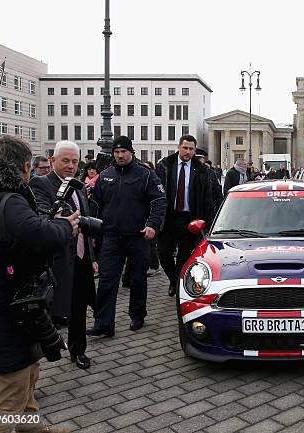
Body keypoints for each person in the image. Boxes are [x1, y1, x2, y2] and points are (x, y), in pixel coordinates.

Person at [0, 135, 78, 433]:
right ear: (23, 167)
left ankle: (32, 430)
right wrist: (63, 225)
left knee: (27, 374)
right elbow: (41, 235)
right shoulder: (6, 200)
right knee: (9, 395)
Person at [88, 136, 166, 335]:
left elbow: (159, 201)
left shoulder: (146, 174)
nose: (120, 155)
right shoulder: (105, 176)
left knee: (138, 279)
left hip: (138, 237)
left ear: (131, 152)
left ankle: (137, 315)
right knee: (106, 280)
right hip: (111, 238)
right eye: (116, 152)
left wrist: (152, 226)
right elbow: (95, 206)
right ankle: (103, 324)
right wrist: (93, 233)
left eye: (124, 151)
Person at [29, 141, 98, 370]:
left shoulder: (78, 186)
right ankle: (33, 367)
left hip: (81, 258)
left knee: (79, 307)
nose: (71, 166)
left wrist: (92, 257)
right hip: (55, 261)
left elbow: (85, 224)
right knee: (47, 313)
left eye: (75, 161)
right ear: (52, 161)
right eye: (65, 161)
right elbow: (40, 218)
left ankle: (78, 350)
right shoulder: (40, 184)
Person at [156, 135, 215, 297]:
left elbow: (207, 199)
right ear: (179, 147)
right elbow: (155, 193)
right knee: (163, 252)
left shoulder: (201, 170)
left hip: (189, 219)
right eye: (185, 148)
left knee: (184, 255)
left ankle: (177, 282)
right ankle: (174, 279)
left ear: (195, 150)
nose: (188, 152)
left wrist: (208, 224)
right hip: (168, 217)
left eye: (191, 149)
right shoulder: (165, 165)